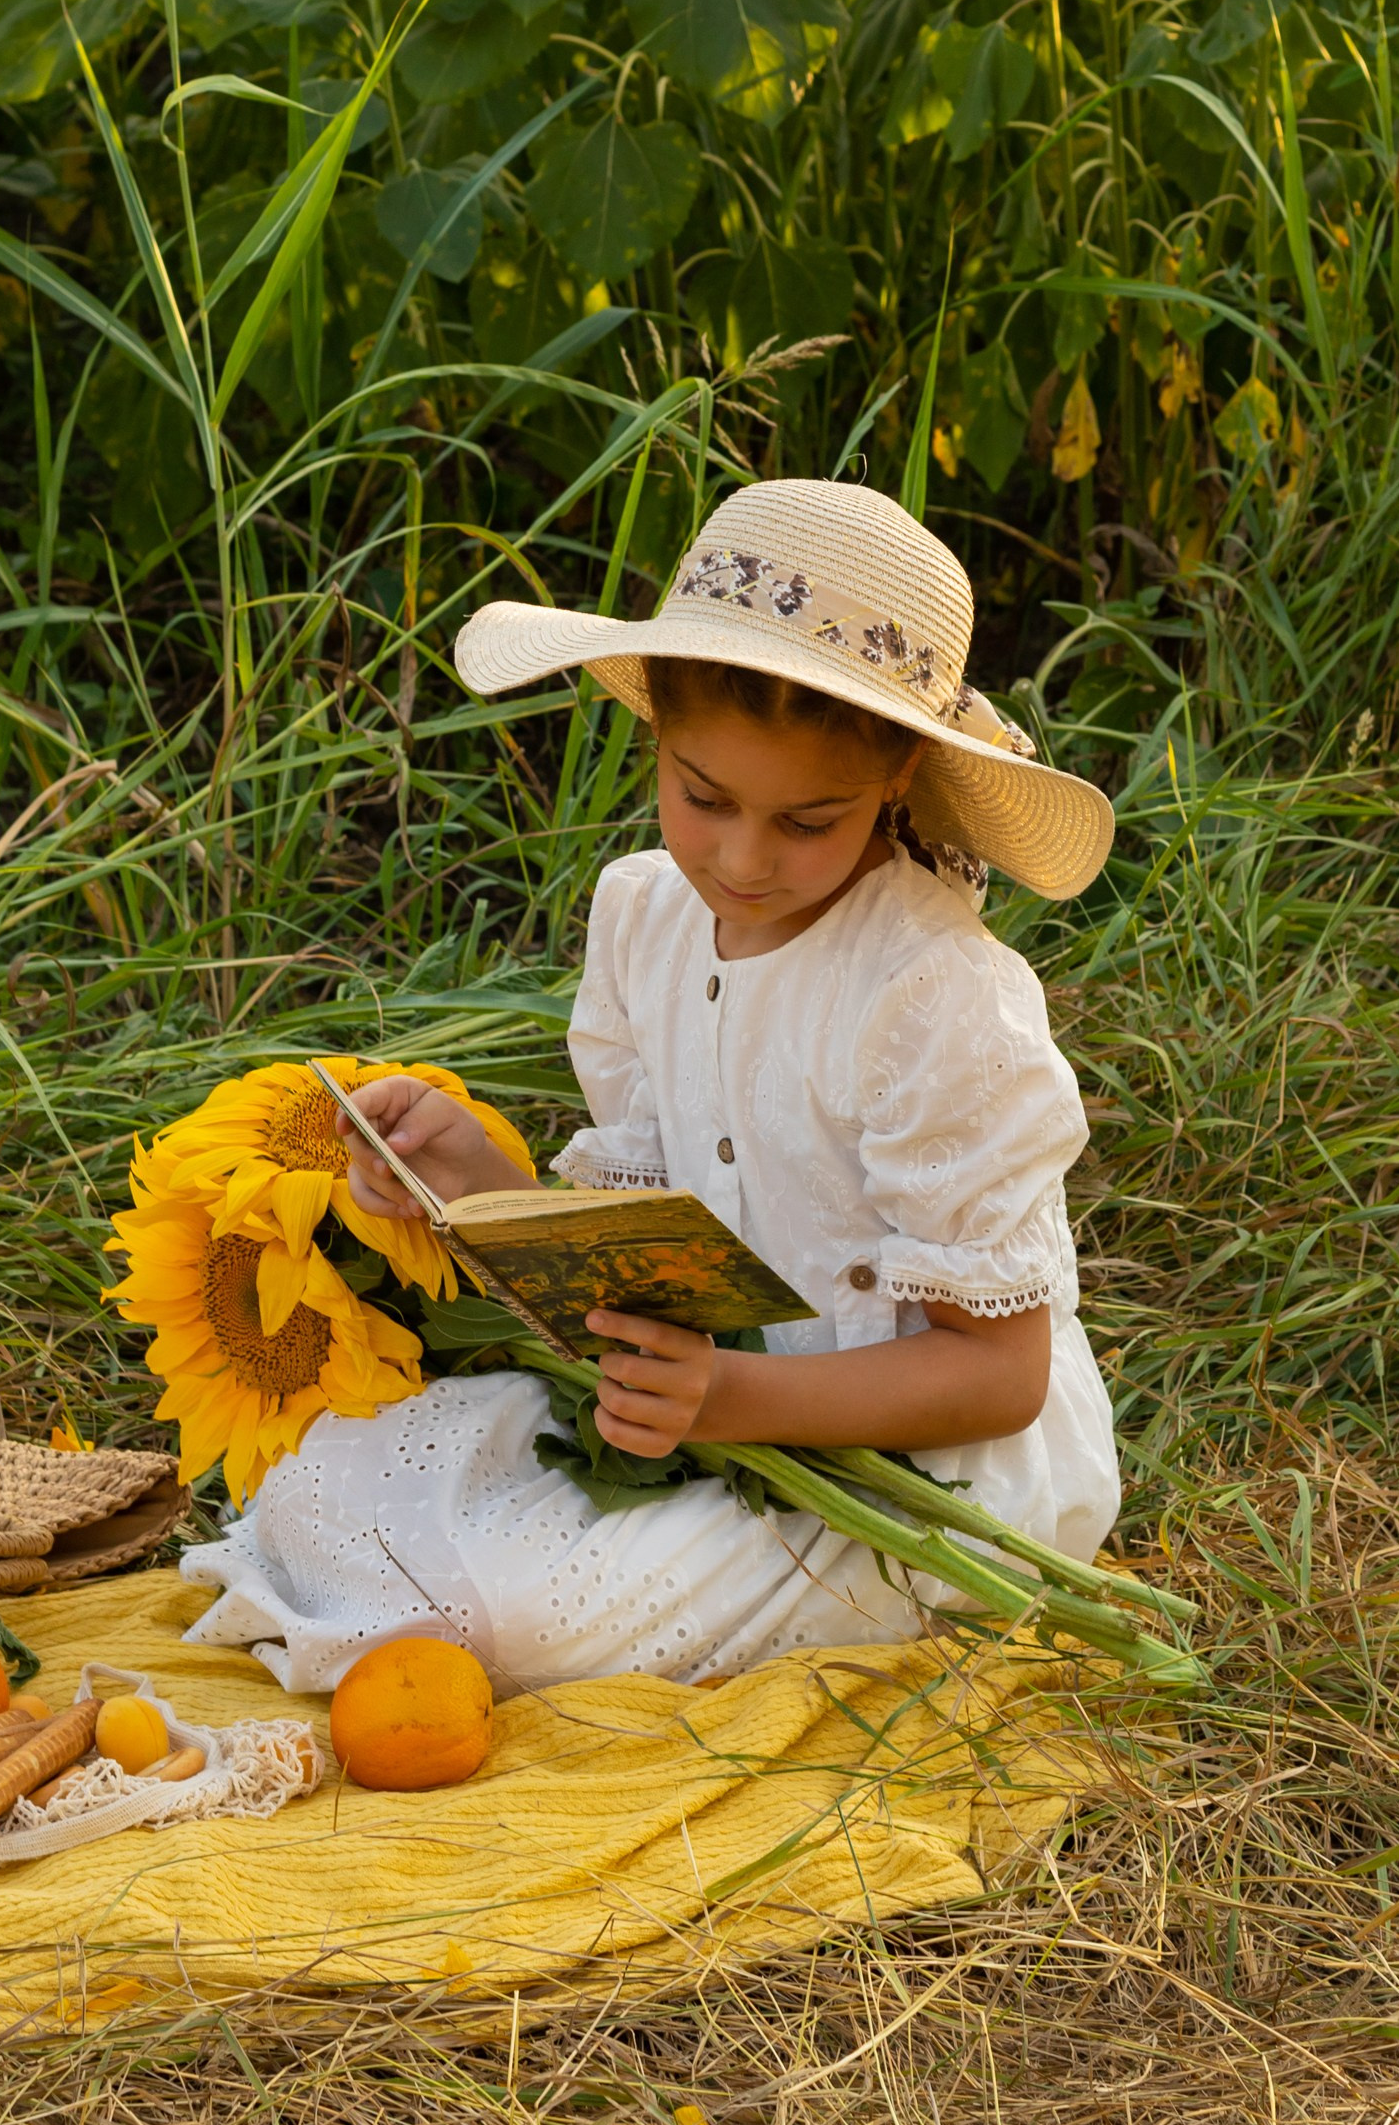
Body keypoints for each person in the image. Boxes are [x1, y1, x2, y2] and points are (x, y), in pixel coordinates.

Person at [180, 476, 1121, 1691]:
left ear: (896, 777)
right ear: (657, 733)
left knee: (494, 1616)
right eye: (703, 797)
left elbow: (998, 1375)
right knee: (323, 1484)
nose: (742, 858)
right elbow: (642, 1267)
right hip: (699, 1396)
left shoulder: (933, 995)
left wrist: (732, 1398)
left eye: (808, 822)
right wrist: (465, 1174)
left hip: (917, 1469)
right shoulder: (645, 917)